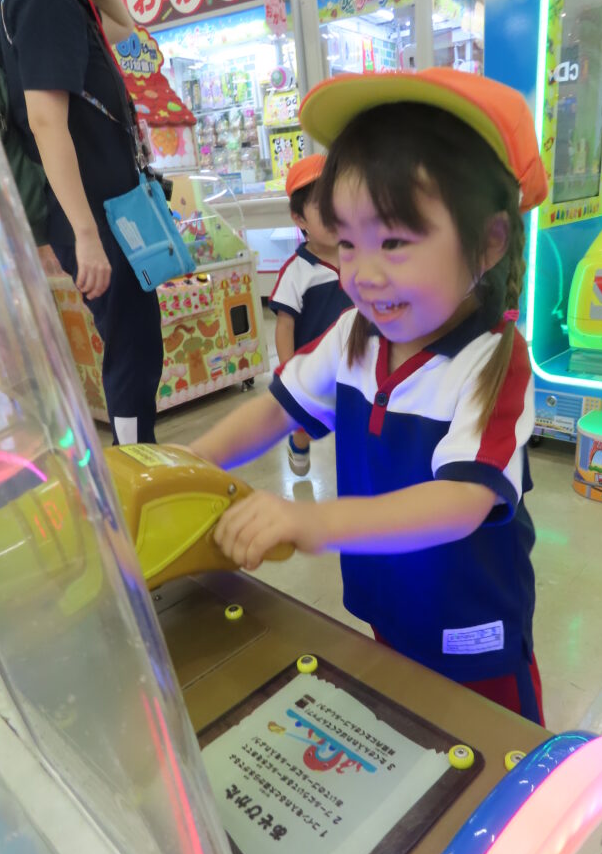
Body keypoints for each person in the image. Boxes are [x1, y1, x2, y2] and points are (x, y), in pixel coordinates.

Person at [189, 69, 549, 724]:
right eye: (348, 244)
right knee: (408, 732)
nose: (364, 274)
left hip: (472, 634)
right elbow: (275, 409)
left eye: (395, 242)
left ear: (489, 242)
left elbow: (460, 502)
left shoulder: (493, 362)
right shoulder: (354, 335)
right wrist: (190, 464)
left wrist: (313, 522)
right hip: (386, 607)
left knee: (497, 754)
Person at [0, 0, 164, 444]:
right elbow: (45, 120)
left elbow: (122, 28)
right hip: (94, 214)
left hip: (108, 210)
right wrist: (86, 234)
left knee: (137, 340)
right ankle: (136, 459)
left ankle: (138, 454)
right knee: (131, 347)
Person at [269, 154, 352, 475]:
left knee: (352, 418)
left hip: (352, 362)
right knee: (304, 420)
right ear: (300, 219)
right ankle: (298, 441)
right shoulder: (297, 271)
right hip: (312, 366)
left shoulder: (358, 257)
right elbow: (284, 325)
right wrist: (289, 369)